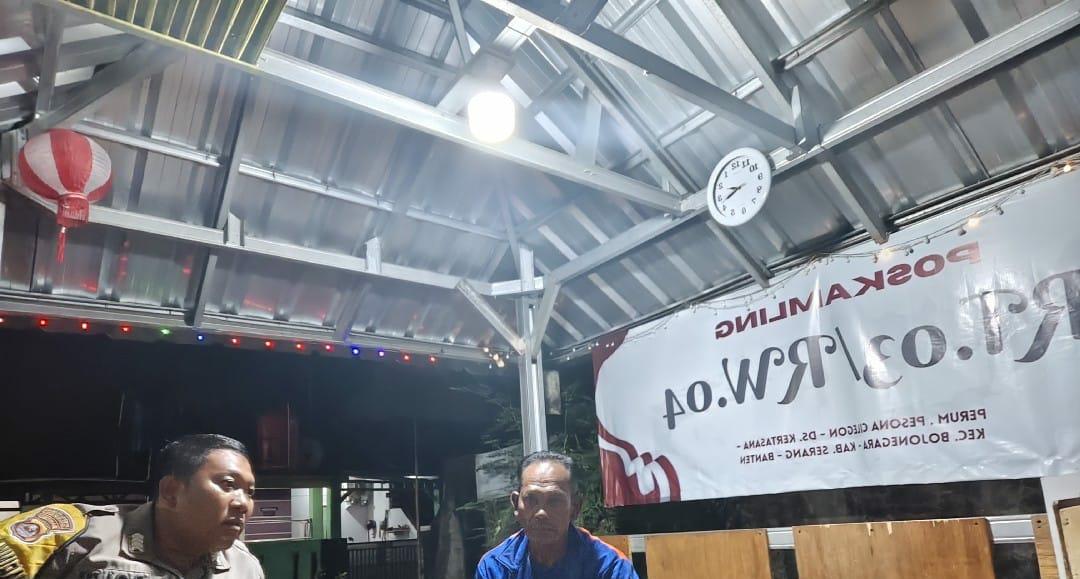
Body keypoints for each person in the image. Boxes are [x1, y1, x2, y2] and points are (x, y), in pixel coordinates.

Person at [0, 434, 264, 578]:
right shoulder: (76, 534)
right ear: (171, 491)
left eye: (250, 492)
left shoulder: (245, 567)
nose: (243, 504)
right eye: (229, 484)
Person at [475, 451, 638, 579]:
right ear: (516, 503)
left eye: (554, 501)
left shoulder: (610, 566)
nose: (541, 513)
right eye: (531, 500)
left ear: (575, 507)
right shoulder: (495, 567)